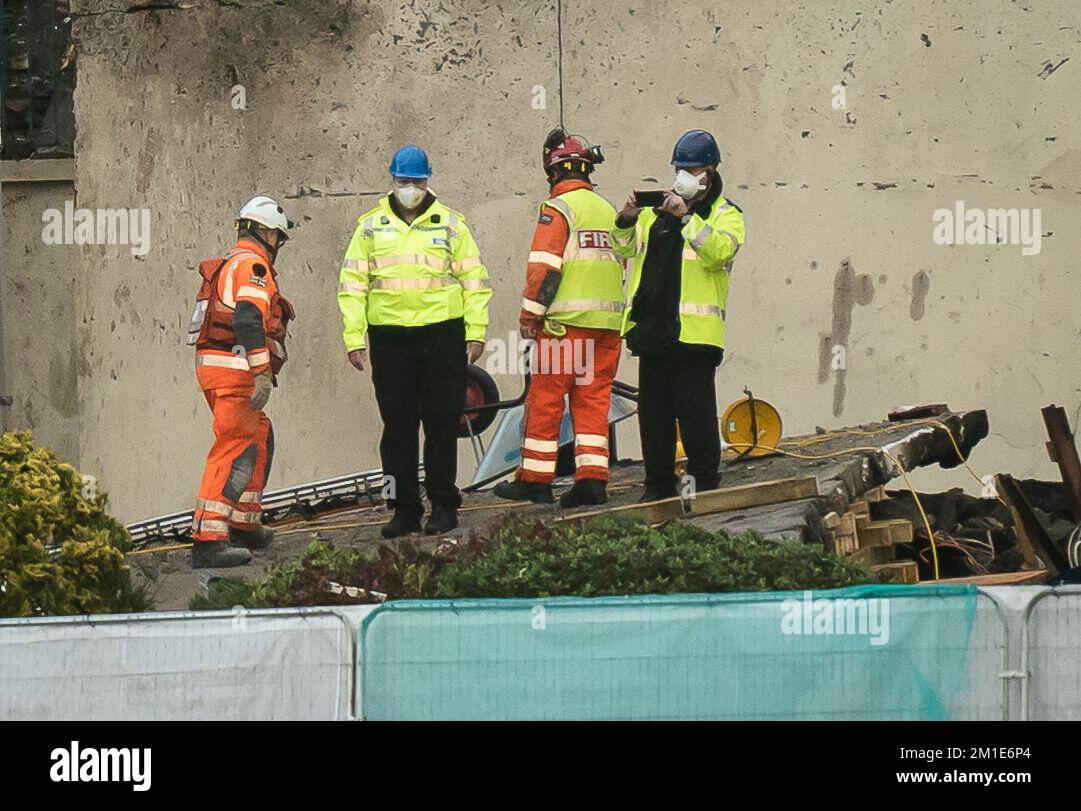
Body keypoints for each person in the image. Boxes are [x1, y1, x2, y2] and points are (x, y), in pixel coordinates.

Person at [338, 145, 491, 537]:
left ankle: (444, 504)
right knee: (397, 427)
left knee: (442, 423)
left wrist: (475, 331)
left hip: (442, 334)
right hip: (390, 339)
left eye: (417, 181)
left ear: (428, 181)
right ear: (392, 181)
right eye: (404, 181)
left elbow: (475, 281)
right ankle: (403, 508)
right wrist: (354, 338)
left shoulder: (451, 224)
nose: (411, 188)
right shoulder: (370, 227)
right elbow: (352, 286)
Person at [611, 130, 745, 501]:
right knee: (654, 414)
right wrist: (624, 219)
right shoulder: (655, 213)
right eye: (679, 168)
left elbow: (719, 252)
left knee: (695, 413)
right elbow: (622, 249)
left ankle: (703, 482)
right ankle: (657, 484)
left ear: (711, 171)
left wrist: (688, 219)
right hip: (653, 327)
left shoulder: (725, 214)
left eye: (692, 168)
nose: (684, 174)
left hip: (694, 334)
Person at [493, 129, 624, 507]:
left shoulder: (559, 209)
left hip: (566, 326)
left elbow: (545, 270)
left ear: (552, 173)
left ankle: (535, 479)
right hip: (606, 329)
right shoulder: (607, 210)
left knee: (547, 400)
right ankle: (592, 481)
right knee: (592, 403)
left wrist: (528, 318)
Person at [189, 196, 295, 568]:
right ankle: (208, 537)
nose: (278, 245)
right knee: (233, 445)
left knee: (258, 436)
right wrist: (261, 370)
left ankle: (245, 523)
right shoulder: (253, 266)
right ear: (265, 232)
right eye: (278, 238)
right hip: (233, 370)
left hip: (219, 367)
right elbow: (248, 320)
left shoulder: (230, 264)